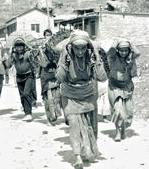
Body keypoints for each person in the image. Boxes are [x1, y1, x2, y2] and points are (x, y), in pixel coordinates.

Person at [56, 30, 107, 168]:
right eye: (76, 48)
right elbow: (59, 78)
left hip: (87, 94)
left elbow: (102, 77)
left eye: (83, 48)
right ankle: (77, 156)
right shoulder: (66, 56)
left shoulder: (91, 57)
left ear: (87, 48)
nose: (80, 51)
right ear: (71, 47)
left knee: (90, 125)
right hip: (70, 95)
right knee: (73, 124)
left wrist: (96, 58)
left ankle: (87, 150)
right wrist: (64, 62)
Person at [107, 38, 140, 142]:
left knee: (128, 112)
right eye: (121, 50)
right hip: (114, 87)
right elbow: (111, 50)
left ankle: (123, 130)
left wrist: (130, 43)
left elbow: (137, 53)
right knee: (118, 111)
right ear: (118, 50)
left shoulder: (130, 58)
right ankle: (117, 131)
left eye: (126, 50)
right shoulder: (113, 58)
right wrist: (117, 41)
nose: (123, 53)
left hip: (127, 86)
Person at [6, 37, 37, 122]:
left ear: (24, 46)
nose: (19, 48)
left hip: (29, 76)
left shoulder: (28, 53)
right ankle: (26, 111)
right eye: (17, 47)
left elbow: (34, 61)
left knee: (27, 93)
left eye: (21, 46)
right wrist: (10, 54)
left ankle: (28, 113)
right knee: (22, 95)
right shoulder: (14, 55)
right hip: (19, 77)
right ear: (15, 47)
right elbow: (8, 65)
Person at [38, 29, 62, 125]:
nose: (48, 37)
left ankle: (54, 115)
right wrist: (41, 50)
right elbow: (42, 64)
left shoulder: (56, 49)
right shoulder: (41, 48)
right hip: (45, 77)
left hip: (54, 75)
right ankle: (49, 118)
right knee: (47, 98)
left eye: (49, 35)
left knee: (56, 96)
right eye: (46, 35)